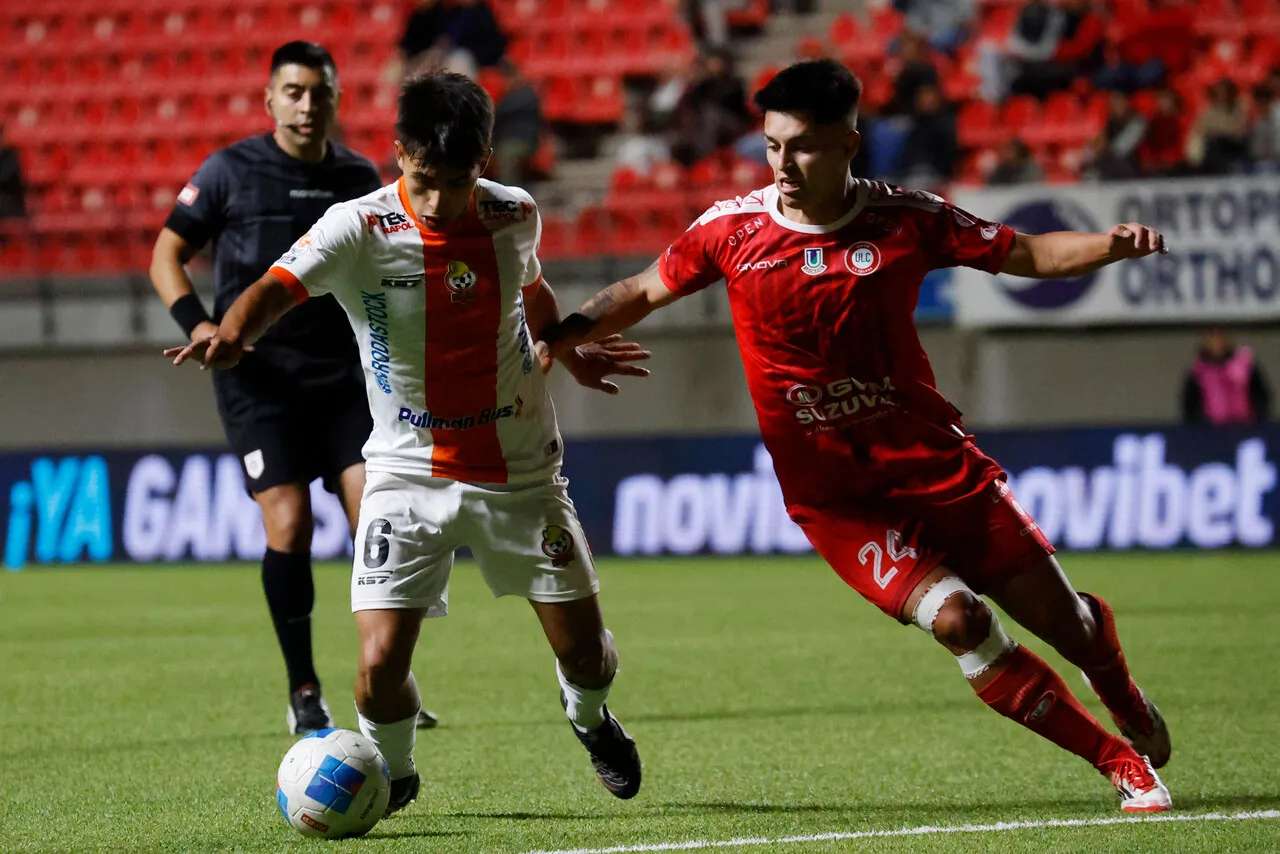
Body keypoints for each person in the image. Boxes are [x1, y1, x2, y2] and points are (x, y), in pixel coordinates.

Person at [538, 59, 1174, 813]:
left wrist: (1110, 245)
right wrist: (558, 338)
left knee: (1069, 623)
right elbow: (642, 289)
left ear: (848, 144)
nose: (782, 166)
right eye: (772, 146)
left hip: (937, 469)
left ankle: (1122, 695)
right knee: (962, 622)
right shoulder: (733, 229)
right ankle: (1118, 762)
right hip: (840, 502)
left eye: (802, 146)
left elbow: (1026, 253)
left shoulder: (907, 219)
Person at [165, 71, 650, 815]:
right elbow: (272, 288)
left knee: (586, 655)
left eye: (456, 183)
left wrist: (566, 346)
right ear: (398, 154)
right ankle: (393, 772)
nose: (437, 201)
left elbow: (531, 291)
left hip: (519, 467)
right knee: (377, 668)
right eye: (423, 180)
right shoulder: (356, 226)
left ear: (484, 161)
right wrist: (231, 334)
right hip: (405, 470)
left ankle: (588, 716)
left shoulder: (514, 213)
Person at [149, 41, 438, 735]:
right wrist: (202, 325)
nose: (307, 105)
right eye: (294, 91)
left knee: (377, 519)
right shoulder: (229, 172)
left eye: (319, 92)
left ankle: (384, 678)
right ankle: (304, 688)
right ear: (271, 99)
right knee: (289, 523)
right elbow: (166, 254)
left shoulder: (355, 174)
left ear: (336, 99)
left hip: (344, 379)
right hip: (258, 379)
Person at [1181, 327, 1271, 426]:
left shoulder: (1246, 365)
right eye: (1212, 337)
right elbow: (1190, 407)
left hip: (1245, 427)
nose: (1216, 342)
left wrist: (1257, 422)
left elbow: (1261, 397)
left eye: (1220, 337)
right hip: (1211, 430)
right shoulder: (1197, 372)